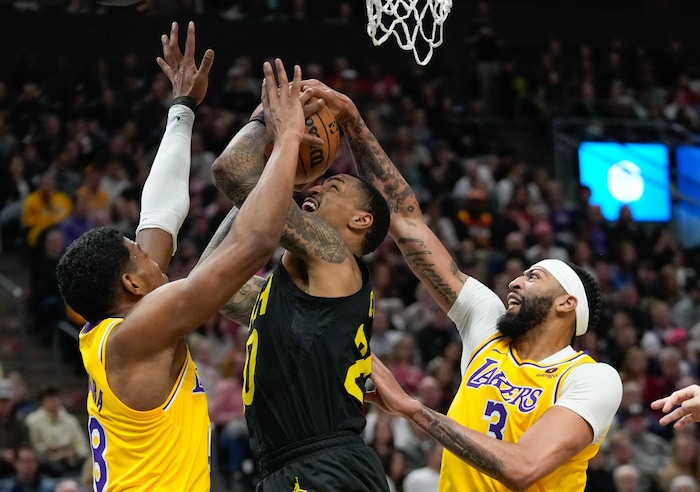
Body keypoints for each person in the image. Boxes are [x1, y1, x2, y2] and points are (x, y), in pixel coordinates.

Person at [305, 79, 623, 491]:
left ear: (566, 304)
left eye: (533, 276)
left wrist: (413, 410)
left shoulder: (590, 379)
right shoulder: (489, 328)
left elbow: (524, 467)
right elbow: (405, 222)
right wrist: (352, 122)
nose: (514, 281)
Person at [55, 20, 305, 491]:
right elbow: (252, 244)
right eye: (140, 256)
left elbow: (159, 213)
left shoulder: (116, 329)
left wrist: (183, 108)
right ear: (131, 283)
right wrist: (287, 139)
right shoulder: (137, 335)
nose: (153, 258)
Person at [200, 71, 392, 491]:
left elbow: (232, 172)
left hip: (327, 467)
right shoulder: (291, 300)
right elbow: (207, 280)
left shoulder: (337, 256)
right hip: (288, 467)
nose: (319, 184)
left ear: (360, 221)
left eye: (335, 184)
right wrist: (275, 170)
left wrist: (266, 124)